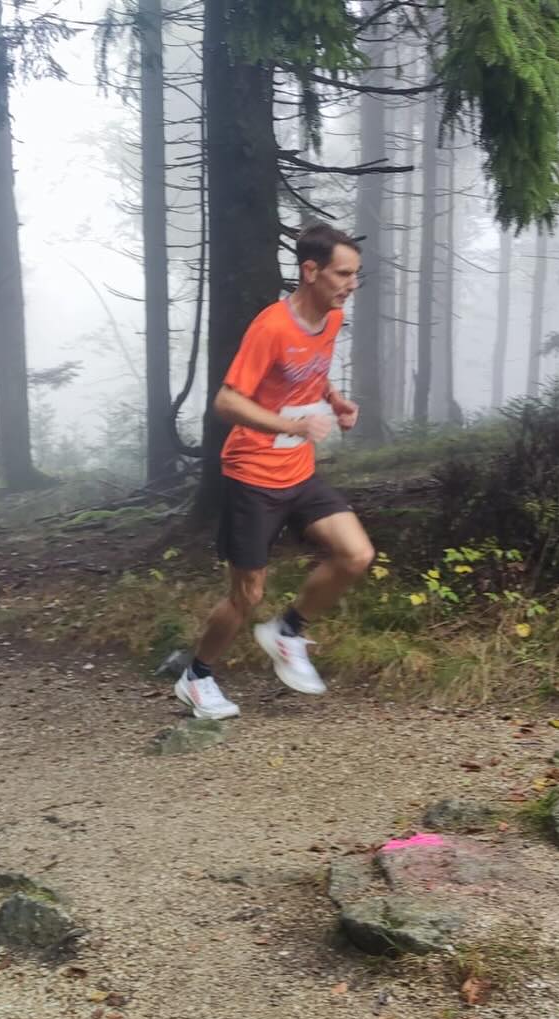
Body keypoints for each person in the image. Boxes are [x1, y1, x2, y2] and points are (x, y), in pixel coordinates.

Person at [175, 223, 375, 721]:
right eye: (343, 274)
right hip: (252, 473)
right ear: (310, 271)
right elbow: (226, 401)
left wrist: (335, 400)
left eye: (356, 275)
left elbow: (312, 368)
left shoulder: (330, 319)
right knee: (247, 594)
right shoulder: (270, 328)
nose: (351, 285)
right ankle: (197, 676)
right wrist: (294, 422)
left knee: (356, 554)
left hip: (298, 469)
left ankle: (287, 631)